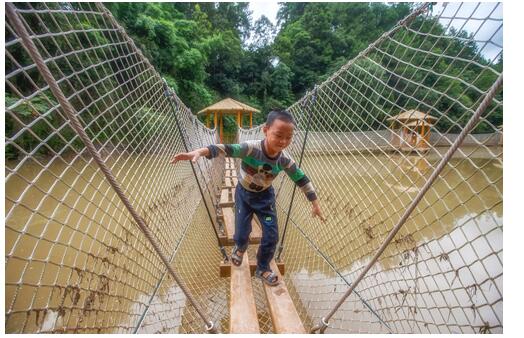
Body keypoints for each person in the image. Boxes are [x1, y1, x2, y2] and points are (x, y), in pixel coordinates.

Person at [170, 110, 324, 286]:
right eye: (278, 135)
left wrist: (315, 203)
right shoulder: (250, 148)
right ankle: (241, 247)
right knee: (242, 232)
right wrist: (201, 151)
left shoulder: (285, 161)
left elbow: (302, 179)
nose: (283, 141)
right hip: (244, 194)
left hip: (265, 198)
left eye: (288, 137)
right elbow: (227, 149)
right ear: (265, 130)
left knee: (272, 235)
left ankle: (263, 267)